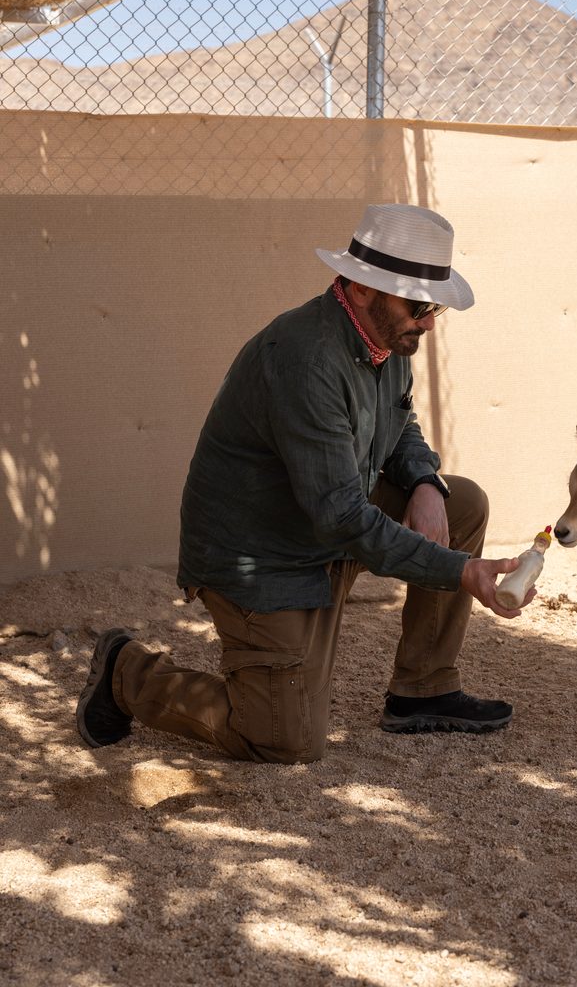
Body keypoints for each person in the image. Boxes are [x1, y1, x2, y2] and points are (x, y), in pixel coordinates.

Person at [76, 203, 535, 764]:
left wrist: (421, 481)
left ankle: (423, 690)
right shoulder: (307, 359)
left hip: (322, 529)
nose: (430, 321)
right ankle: (128, 672)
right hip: (264, 560)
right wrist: (462, 571)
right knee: (282, 740)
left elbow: (399, 421)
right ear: (363, 289)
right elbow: (341, 515)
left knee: (458, 503)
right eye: (420, 305)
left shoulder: (387, 341)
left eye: (435, 305)